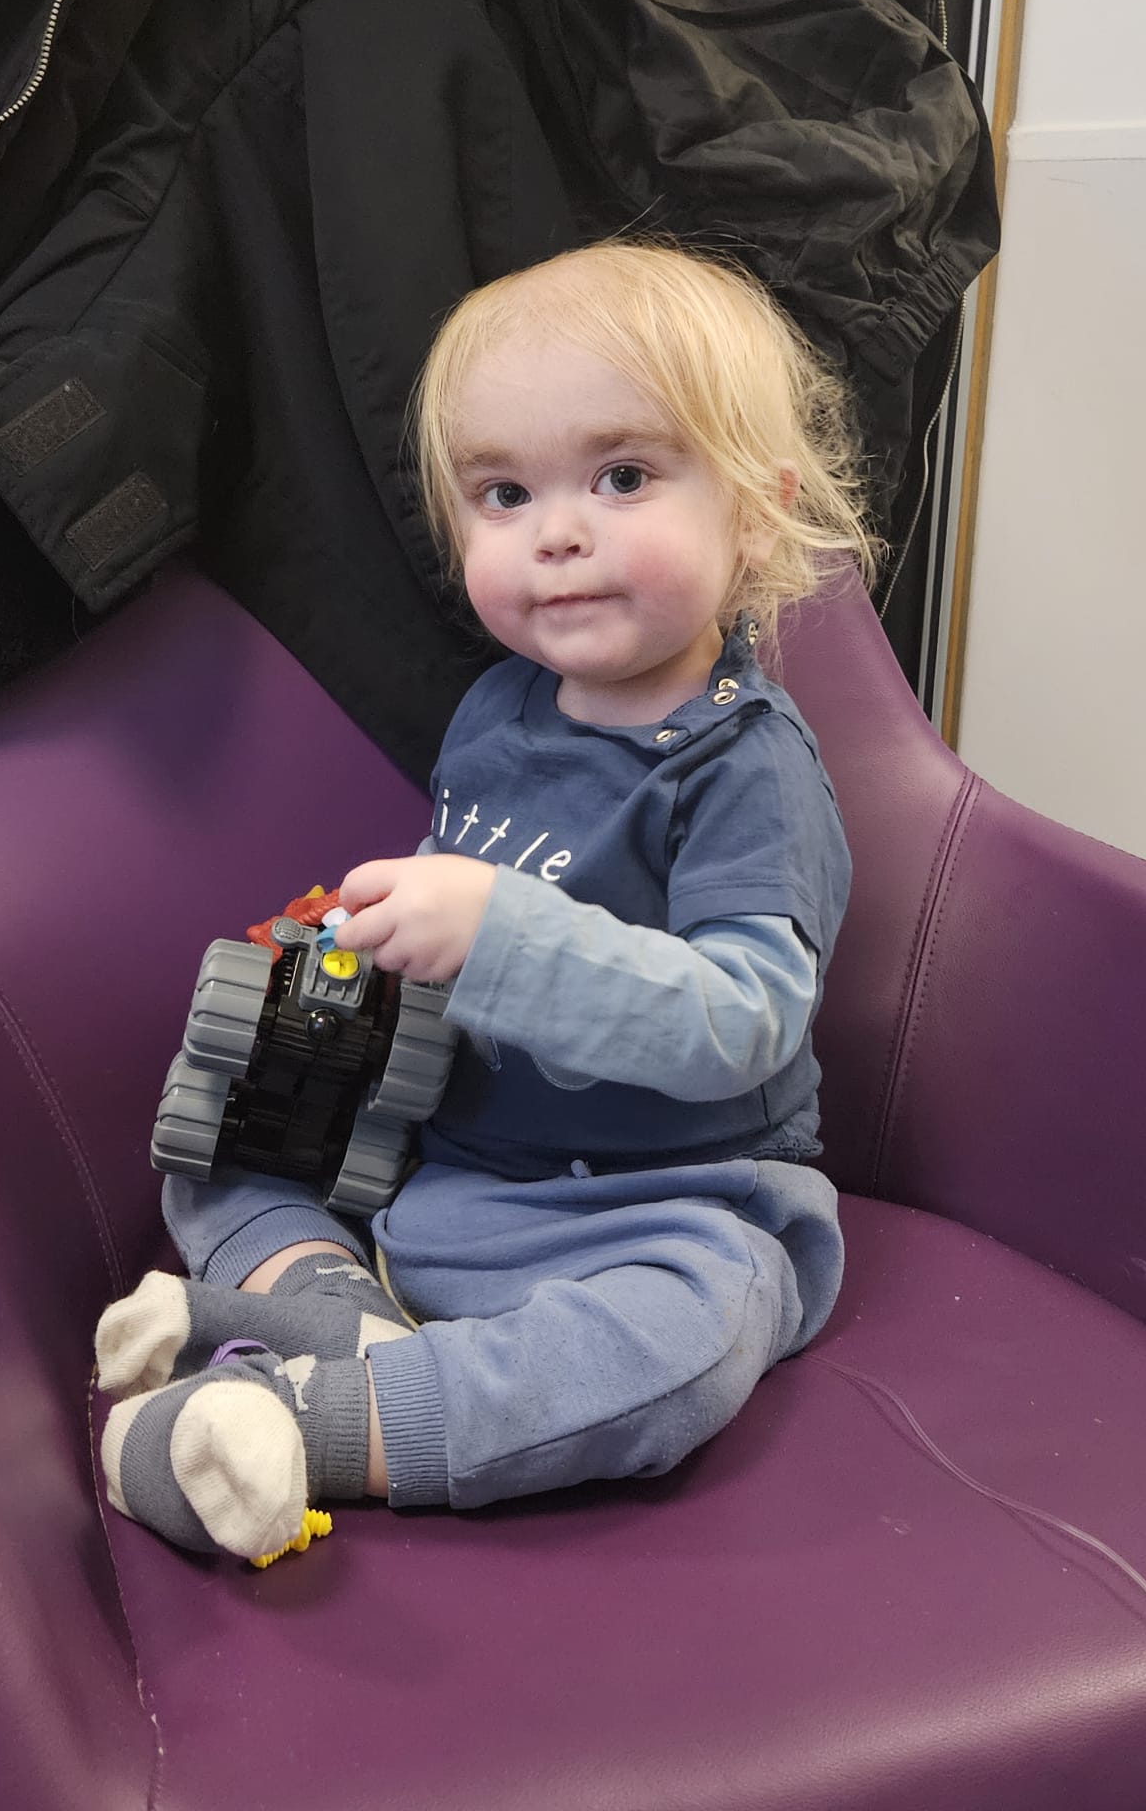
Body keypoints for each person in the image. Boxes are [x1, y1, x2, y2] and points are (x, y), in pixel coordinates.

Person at [95, 240, 879, 1561]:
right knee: (221, 1144)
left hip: (664, 1207)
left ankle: (288, 1412)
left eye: (623, 476)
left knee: (682, 1352)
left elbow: (747, 1020)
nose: (557, 530)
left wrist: (496, 935)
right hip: (442, 1172)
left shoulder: (746, 767)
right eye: (504, 493)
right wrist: (354, 976)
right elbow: (458, 940)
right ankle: (330, 1314)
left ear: (754, 511)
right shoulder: (502, 706)